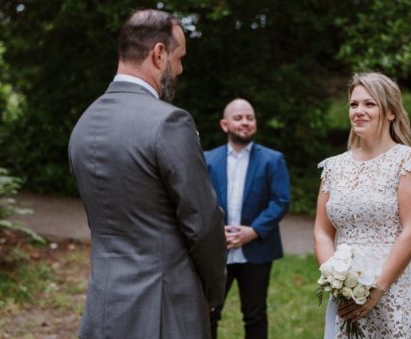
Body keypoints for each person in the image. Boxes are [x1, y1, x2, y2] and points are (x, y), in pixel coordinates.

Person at [67, 9, 226, 338]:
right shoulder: (170, 123)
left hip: (104, 304)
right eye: (179, 57)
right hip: (167, 306)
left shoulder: (83, 124)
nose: (180, 69)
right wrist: (212, 291)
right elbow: (203, 220)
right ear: (158, 53)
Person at [313, 72, 411, 338]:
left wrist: (378, 288)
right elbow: (322, 230)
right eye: (354, 104)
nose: (359, 111)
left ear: (391, 112)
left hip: (396, 286)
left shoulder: (408, 162)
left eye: (369, 104)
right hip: (348, 293)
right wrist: (336, 280)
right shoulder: (334, 167)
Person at [206, 98, 291, 339]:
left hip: (257, 250)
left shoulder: (272, 159)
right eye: (239, 118)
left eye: (250, 118)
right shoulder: (207, 159)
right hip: (216, 250)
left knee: (255, 315)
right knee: (208, 312)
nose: (245, 122)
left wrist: (252, 231)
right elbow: (200, 203)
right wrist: (215, 232)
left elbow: (280, 201)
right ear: (225, 125)